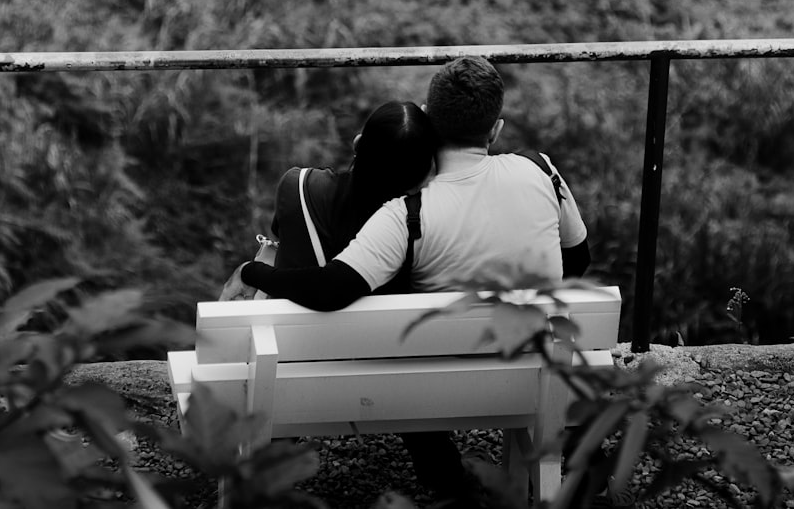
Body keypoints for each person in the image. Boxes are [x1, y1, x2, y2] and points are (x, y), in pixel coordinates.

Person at [227, 55, 592, 502]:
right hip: (527, 378)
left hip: (427, 389)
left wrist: (252, 269)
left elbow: (330, 289)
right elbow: (577, 260)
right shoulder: (540, 168)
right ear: (496, 128)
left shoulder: (408, 215)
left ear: (431, 124)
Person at [219, 100, 438, 301]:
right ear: (422, 176)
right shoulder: (426, 228)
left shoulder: (298, 186)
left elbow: (281, 231)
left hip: (290, 340)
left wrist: (249, 271)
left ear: (358, 143)